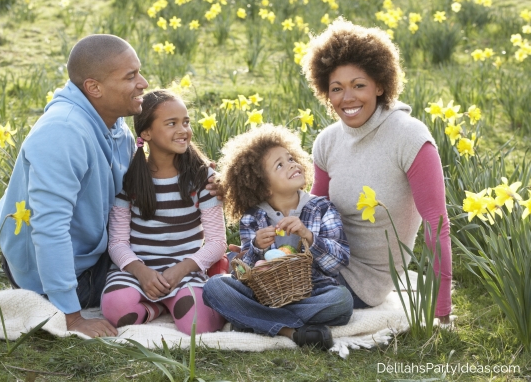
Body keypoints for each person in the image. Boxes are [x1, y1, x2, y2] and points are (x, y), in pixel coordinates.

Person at [301, 18, 452, 323]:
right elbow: (313, 214)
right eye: (337, 89)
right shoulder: (328, 141)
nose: (348, 98)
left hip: (364, 284)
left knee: (282, 298)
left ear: (380, 85)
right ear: (325, 93)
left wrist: (442, 310)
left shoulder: (410, 137)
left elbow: (437, 224)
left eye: (359, 85)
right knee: (246, 282)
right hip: (323, 262)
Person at [203, 124, 353, 350]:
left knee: (342, 301)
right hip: (264, 296)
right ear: (263, 186)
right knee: (214, 287)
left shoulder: (322, 208)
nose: (292, 164)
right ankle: (291, 331)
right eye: (280, 165)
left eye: (291, 158)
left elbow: (339, 261)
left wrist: (308, 236)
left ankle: (254, 320)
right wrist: (255, 248)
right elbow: (245, 275)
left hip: (314, 292)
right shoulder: (252, 218)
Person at [100, 89, 226, 335]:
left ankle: (173, 304)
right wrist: (142, 272)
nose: (183, 130)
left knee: (199, 326)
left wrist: (180, 270)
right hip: (138, 272)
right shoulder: (128, 180)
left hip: (185, 271)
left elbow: (217, 243)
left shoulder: (203, 179)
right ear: (146, 133)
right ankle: (155, 309)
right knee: (115, 309)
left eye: (186, 122)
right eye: (171, 123)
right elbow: (117, 242)